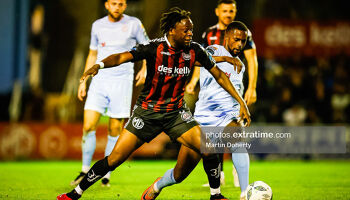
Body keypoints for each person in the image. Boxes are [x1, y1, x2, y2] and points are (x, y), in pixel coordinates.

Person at [57, 7, 250, 200]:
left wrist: (241, 102)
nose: (190, 33)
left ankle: (215, 195)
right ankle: (75, 193)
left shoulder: (195, 50)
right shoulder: (153, 48)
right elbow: (121, 57)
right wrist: (99, 65)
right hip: (147, 113)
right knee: (114, 160)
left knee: (208, 149)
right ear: (172, 30)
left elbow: (219, 75)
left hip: (176, 114)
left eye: (191, 30)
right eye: (186, 30)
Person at [153, 21, 250, 200]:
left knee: (238, 140)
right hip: (203, 119)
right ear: (226, 36)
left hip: (226, 117)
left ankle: (245, 192)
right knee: (179, 174)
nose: (239, 45)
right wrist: (227, 58)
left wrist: (242, 107)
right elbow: (200, 60)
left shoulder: (241, 65)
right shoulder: (213, 50)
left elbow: (237, 90)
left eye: (243, 42)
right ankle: (157, 186)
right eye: (236, 40)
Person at [70, 0, 149, 187]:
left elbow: (147, 48)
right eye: (114, 3)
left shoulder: (134, 24)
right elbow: (92, 54)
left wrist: (145, 68)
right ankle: (84, 170)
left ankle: (106, 174)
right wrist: (84, 80)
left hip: (122, 81)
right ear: (107, 5)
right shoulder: (97, 26)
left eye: (121, 3)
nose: (117, 7)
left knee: (114, 129)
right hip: (99, 81)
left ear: (125, 5)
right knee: (88, 125)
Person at [186, 0, 258, 187]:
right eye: (225, 11)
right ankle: (219, 176)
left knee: (234, 136)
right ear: (217, 11)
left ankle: (240, 177)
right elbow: (200, 59)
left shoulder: (243, 33)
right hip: (210, 96)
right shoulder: (209, 34)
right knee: (209, 144)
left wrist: (252, 87)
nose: (228, 14)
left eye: (231, 11)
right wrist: (194, 81)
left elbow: (252, 60)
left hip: (231, 90)